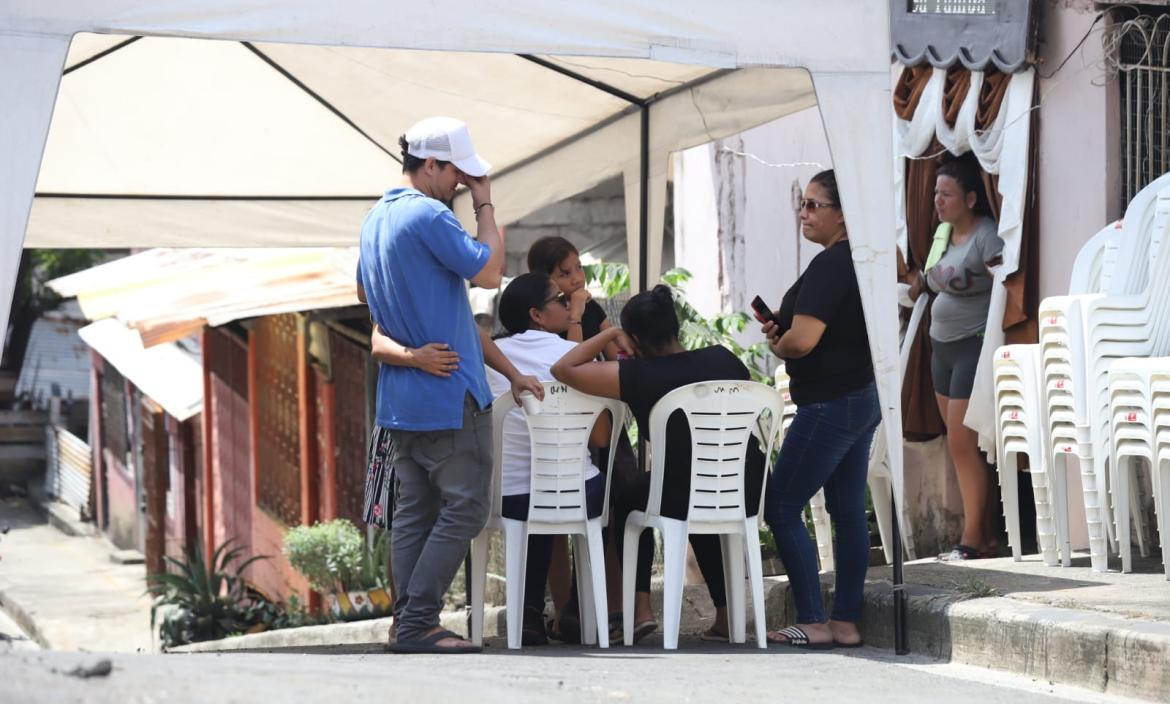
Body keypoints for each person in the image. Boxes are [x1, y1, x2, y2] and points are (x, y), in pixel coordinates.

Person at [357, 116, 542, 654]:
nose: (463, 183)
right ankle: (418, 622)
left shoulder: (376, 220)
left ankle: (404, 622)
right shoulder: (428, 215)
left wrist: (415, 342)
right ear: (431, 164)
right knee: (464, 508)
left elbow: (370, 301)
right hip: (449, 397)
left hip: (401, 401)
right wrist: (485, 206)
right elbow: (488, 273)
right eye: (458, 173)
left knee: (414, 513)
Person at [551, 285, 767, 643]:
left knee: (629, 496)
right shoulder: (725, 359)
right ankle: (727, 619)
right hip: (747, 483)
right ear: (675, 326)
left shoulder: (638, 375)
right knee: (700, 494)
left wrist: (609, 333)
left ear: (635, 338)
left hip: (686, 488)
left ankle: (641, 610)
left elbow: (564, 368)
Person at [760, 169, 879, 649]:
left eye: (814, 205)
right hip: (859, 397)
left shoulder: (832, 265)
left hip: (831, 402)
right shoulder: (855, 261)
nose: (803, 213)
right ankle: (845, 622)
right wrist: (783, 336)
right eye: (802, 204)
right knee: (847, 511)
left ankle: (813, 619)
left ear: (843, 216)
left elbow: (803, 342)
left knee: (782, 505)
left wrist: (782, 342)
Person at [482, 273, 612, 645]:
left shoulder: (494, 358)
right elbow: (601, 437)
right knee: (600, 488)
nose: (568, 305)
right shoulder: (570, 358)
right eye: (560, 299)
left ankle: (530, 613)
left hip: (505, 496)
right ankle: (579, 608)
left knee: (536, 487)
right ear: (537, 314)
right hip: (574, 495)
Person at [525, 236, 626, 640]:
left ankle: (613, 609)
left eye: (576, 268)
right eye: (562, 273)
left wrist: (610, 338)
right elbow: (565, 368)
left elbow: (616, 350)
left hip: (598, 419)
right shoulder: (552, 320)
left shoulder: (593, 306)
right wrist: (575, 318)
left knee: (611, 510)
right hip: (560, 428)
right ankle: (565, 607)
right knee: (555, 522)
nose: (574, 279)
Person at [909, 154, 1005, 561]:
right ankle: (983, 535)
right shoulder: (941, 238)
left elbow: (1005, 284)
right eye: (934, 193)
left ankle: (970, 541)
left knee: (964, 445)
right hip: (940, 349)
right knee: (956, 445)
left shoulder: (986, 234)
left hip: (972, 346)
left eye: (946, 194)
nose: (938, 201)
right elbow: (925, 285)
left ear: (969, 198)